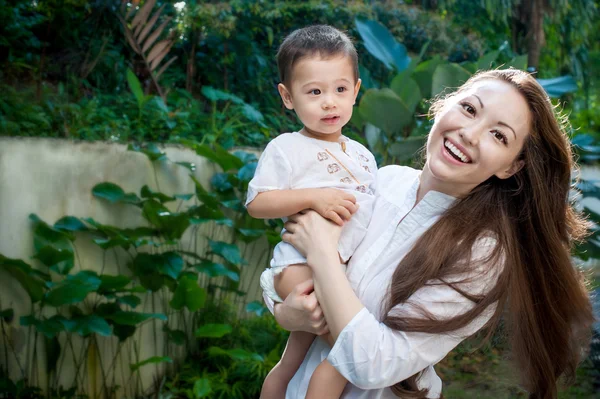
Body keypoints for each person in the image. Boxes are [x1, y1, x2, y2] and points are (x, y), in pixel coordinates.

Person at [266, 68, 594, 398]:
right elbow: (291, 258)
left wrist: (322, 253)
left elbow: (374, 363)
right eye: (469, 109)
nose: (470, 133)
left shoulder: (482, 254)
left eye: (499, 135)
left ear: (511, 166)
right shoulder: (385, 181)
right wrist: (286, 311)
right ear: (444, 105)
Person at [245, 25, 377, 398]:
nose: (329, 102)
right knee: (349, 350)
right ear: (288, 97)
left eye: (339, 89)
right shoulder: (287, 147)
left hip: (341, 270)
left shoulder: (363, 156)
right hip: (300, 266)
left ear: (355, 90)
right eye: (314, 92)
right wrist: (314, 197)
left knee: (291, 362)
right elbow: (257, 203)